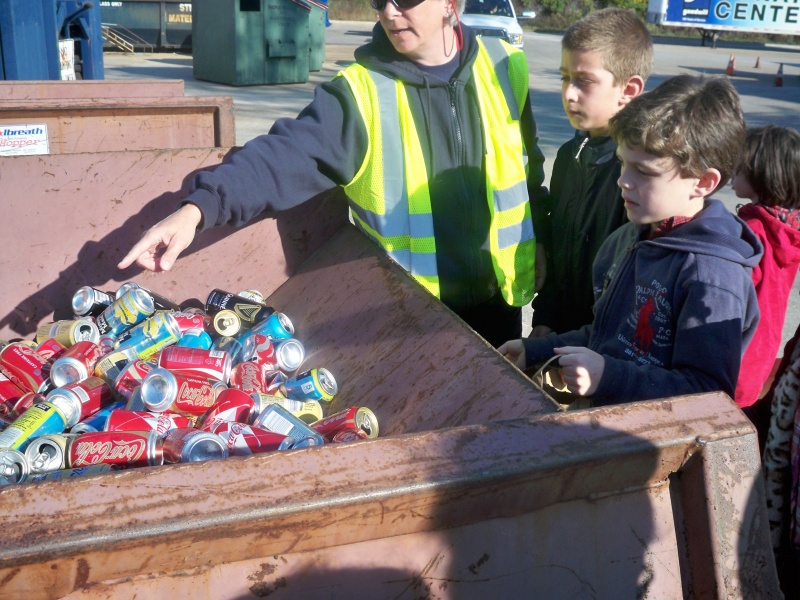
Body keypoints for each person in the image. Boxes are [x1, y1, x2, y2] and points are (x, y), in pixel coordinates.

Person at [117, 0, 547, 349]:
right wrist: (198, 209)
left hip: (501, 311)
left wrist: (543, 242)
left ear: (452, 3)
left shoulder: (505, 66)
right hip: (413, 321)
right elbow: (280, 158)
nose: (390, 12)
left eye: (406, 0)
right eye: (380, 1)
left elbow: (526, 173)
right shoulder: (360, 95)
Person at [498, 74, 762, 406]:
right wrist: (535, 349)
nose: (623, 181)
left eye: (645, 171)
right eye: (623, 163)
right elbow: (611, 334)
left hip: (652, 447)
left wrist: (608, 375)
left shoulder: (711, 276)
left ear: (703, 182)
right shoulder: (629, 238)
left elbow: (707, 392)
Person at [529, 8, 653, 338]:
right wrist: (545, 318)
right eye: (565, 78)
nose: (569, 93)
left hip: (605, 352)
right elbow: (560, 244)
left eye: (584, 81)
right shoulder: (571, 155)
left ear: (629, 89)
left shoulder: (644, 175)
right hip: (558, 337)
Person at [730, 125, 800, 409]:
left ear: (763, 173)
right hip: (758, 360)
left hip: (733, 359)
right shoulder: (787, 228)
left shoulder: (752, 231)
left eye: (740, 165)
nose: (732, 168)